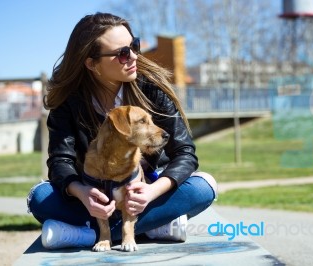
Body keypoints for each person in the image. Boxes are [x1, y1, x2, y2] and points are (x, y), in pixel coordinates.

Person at [27, 12, 217, 249]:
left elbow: (185, 153)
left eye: (134, 46)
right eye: (123, 53)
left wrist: (150, 192)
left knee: (203, 186)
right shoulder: (68, 103)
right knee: (40, 197)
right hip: (94, 200)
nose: (134, 56)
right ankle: (155, 226)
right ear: (91, 63)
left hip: (146, 197)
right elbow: (59, 161)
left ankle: (88, 234)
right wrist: (83, 193)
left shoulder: (151, 90)